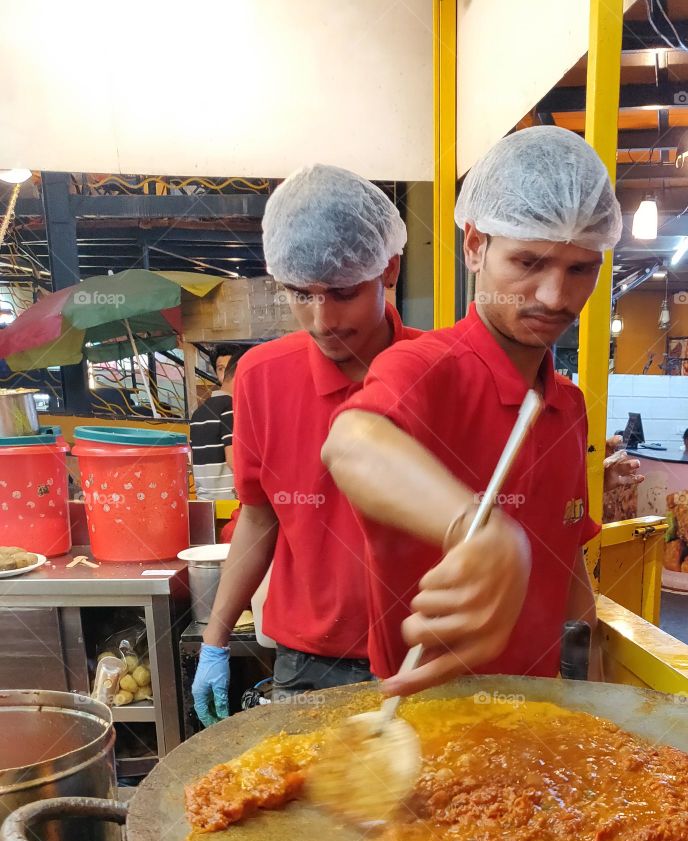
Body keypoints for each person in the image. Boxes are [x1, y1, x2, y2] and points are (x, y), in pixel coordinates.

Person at [324, 126, 622, 695]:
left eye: (581, 269)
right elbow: (352, 441)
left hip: (541, 714)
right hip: (427, 719)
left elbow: (567, 559)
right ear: (474, 246)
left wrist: (595, 692)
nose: (556, 297)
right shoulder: (424, 368)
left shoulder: (568, 403)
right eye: (529, 262)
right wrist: (479, 531)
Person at [191, 165, 417, 727]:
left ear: (387, 269)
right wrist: (216, 638)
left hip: (422, 658)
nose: (322, 320)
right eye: (301, 294)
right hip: (306, 663)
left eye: (342, 293)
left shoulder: (437, 373)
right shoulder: (261, 377)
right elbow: (259, 515)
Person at [189, 348, 240, 501]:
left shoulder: (198, 413)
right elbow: (234, 461)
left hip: (205, 500)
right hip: (230, 500)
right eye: (220, 368)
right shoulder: (230, 407)